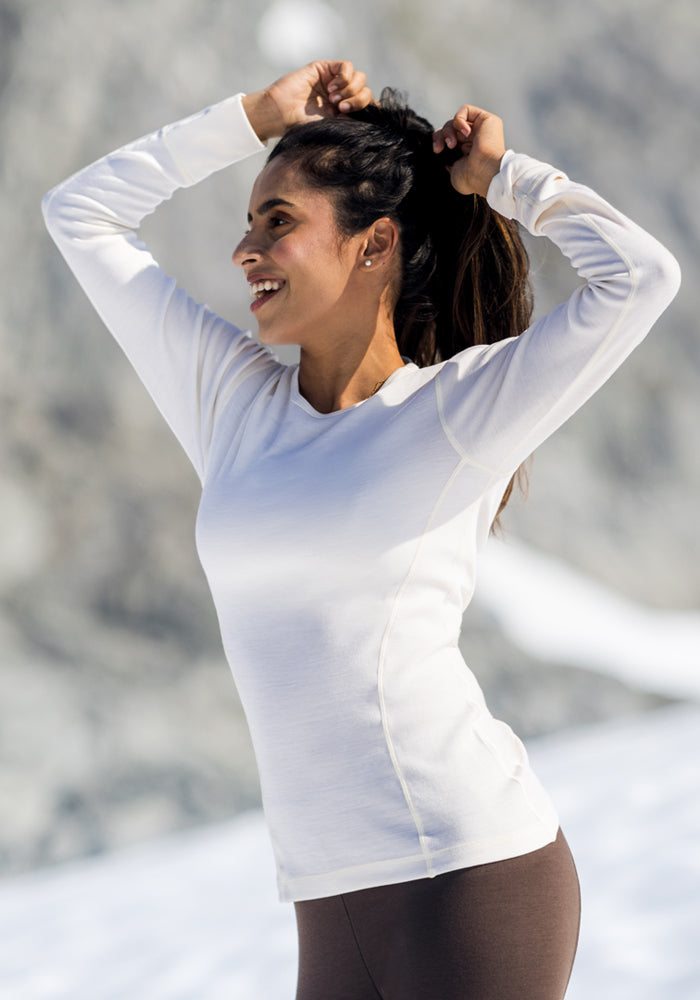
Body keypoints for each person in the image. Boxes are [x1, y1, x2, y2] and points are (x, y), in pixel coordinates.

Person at [43, 59, 680, 1000]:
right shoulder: (232, 406)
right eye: (250, 219)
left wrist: (502, 178)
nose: (245, 249)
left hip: (470, 874)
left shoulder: (454, 413)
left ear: (375, 242)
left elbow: (642, 276)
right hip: (327, 898)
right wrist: (253, 116)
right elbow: (80, 214)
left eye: (278, 221)